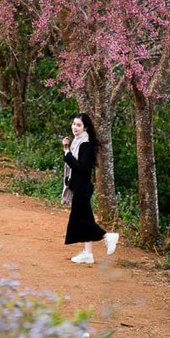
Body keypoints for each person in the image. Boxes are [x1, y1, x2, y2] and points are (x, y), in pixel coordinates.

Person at [62, 113, 119, 265]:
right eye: (74, 124)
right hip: (79, 187)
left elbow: (83, 168)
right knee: (84, 219)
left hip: (82, 189)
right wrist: (67, 150)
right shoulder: (77, 142)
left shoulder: (85, 144)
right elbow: (75, 169)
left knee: (81, 220)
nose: (75, 127)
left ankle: (107, 236)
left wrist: (67, 154)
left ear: (85, 127)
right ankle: (88, 254)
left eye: (78, 125)